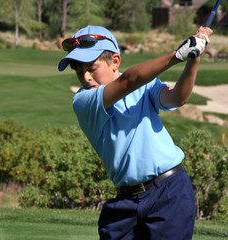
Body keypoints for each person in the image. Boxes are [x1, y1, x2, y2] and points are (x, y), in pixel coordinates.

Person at [58, 25, 213, 240]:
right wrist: (177, 55)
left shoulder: (145, 87)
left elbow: (178, 98)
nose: (85, 77)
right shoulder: (84, 101)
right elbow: (129, 80)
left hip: (169, 190)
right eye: (78, 70)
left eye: (92, 68)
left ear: (115, 62)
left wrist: (194, 55)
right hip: (125, 202)